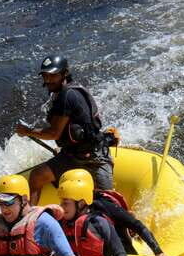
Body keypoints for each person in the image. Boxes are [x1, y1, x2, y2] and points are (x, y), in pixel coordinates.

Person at [14, 55, 119, 204]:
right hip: (73, 154)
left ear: (64, 74)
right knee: (37, 176)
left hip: (94, 159)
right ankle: (31, 218)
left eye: (53, 75)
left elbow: (53, 133)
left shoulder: (67, 96)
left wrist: (27, 131)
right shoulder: (66, 91)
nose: (48, 79)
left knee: (109, 204)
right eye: (45, 75)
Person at [59, 168, 174, 256]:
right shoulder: (68, 214)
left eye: (66, 202)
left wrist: (160, 254)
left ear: (81, 202)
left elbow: (137, 226)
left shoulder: (105, 207)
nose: (62, 206)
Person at [57, 179, 135, 256]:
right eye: (61, 202)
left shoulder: (99, 222)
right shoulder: (60, 224)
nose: (61, 207)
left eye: (66, 203)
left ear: (81, 204)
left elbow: (120, 255)